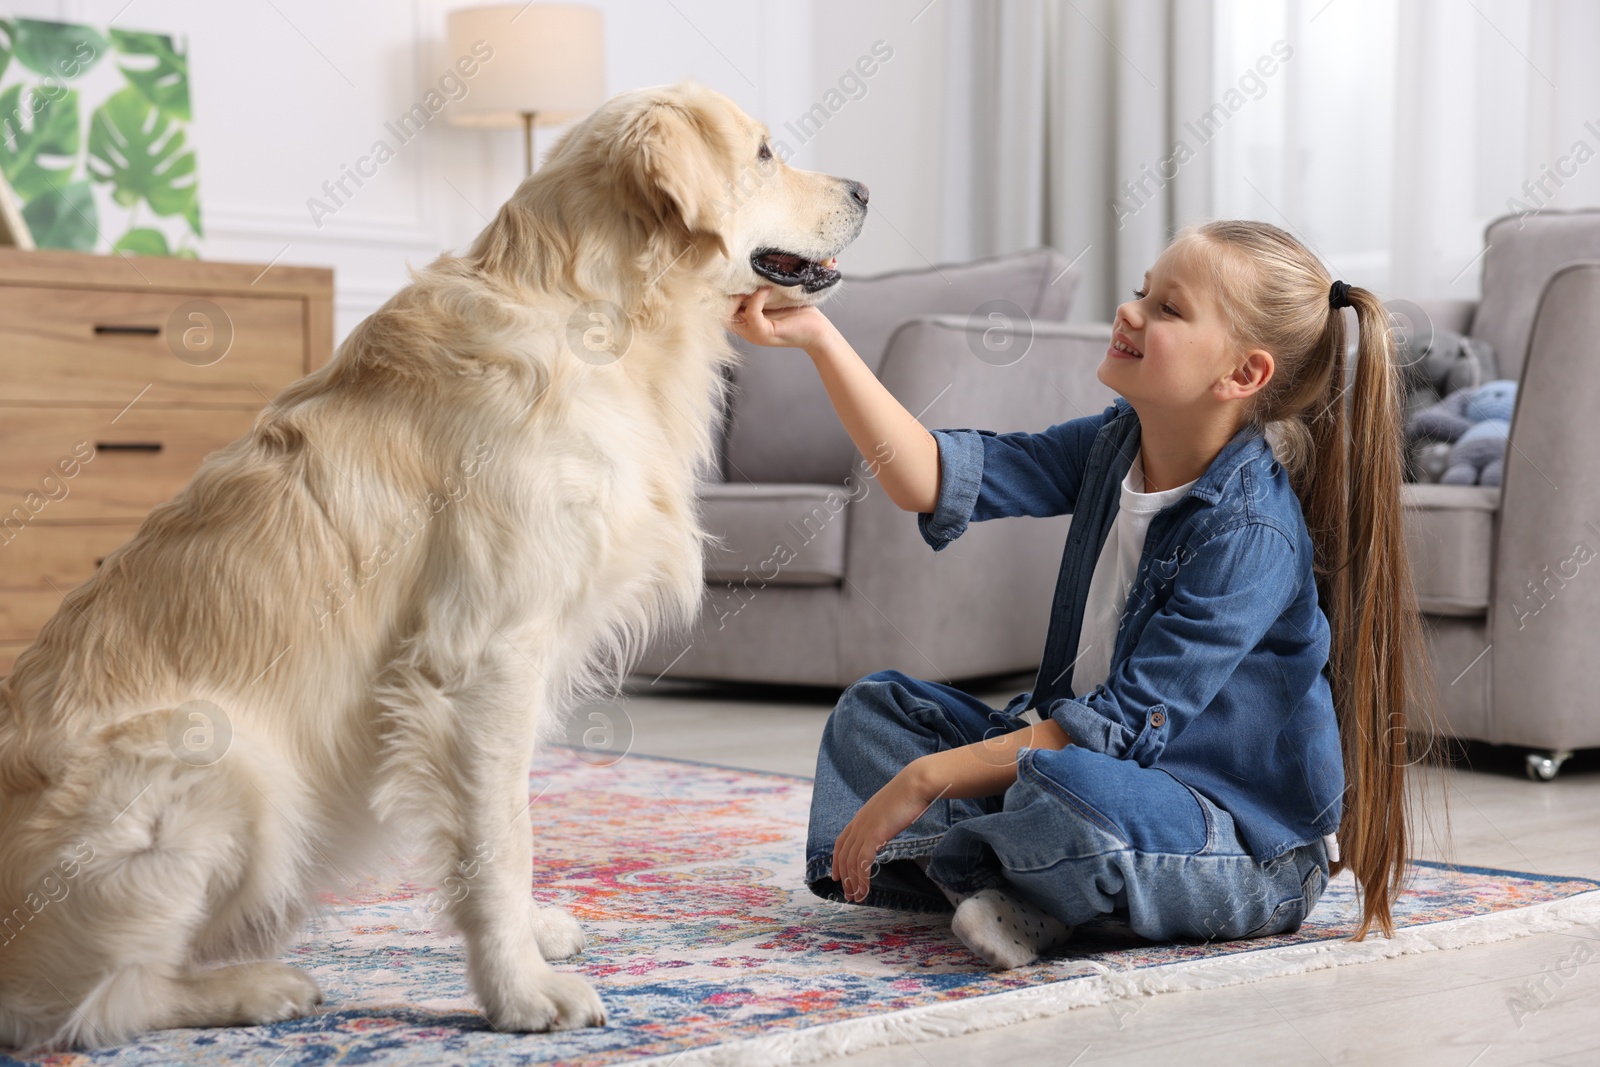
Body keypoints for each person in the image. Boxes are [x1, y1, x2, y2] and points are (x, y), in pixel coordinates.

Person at [724, 220, 1438, 968]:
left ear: (1244, 374)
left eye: (1169, 309)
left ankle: (1003, 872)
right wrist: (817, 336)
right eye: (1141, 293)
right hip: (1089, 776)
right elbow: (929, 475)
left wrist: (926, 779)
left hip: (1233, 845)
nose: (1130, 312)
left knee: (1061, 787)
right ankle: (1023, 881)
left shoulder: (1252, 532)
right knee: (877, 713)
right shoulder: (1113, 445)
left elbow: (1118, 734)